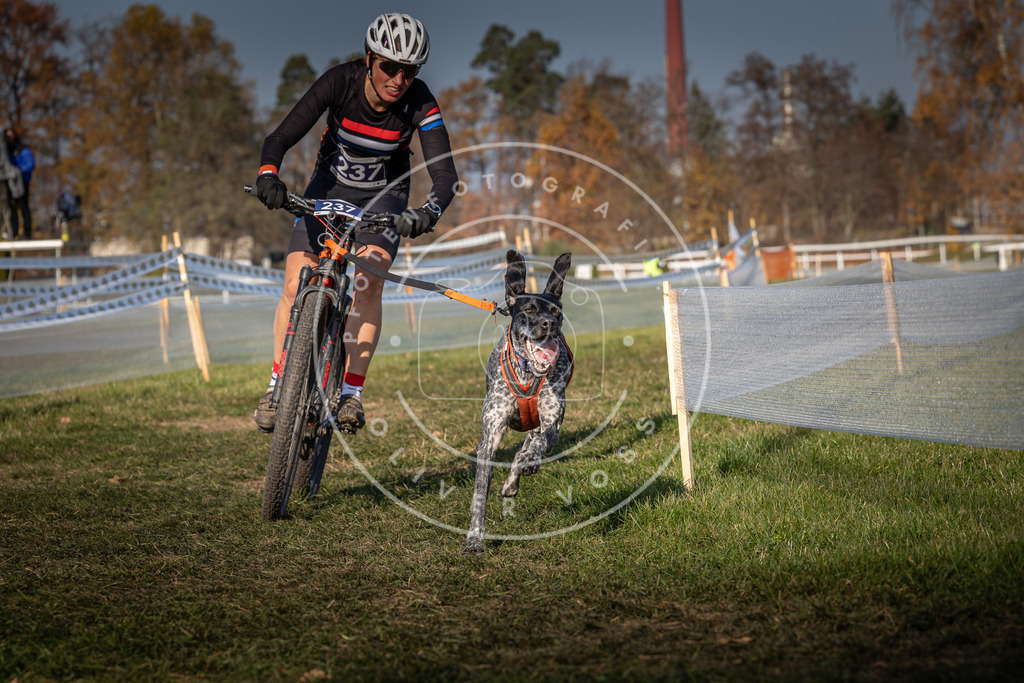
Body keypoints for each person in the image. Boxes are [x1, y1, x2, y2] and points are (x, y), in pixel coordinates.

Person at [253, 12, 458, 434]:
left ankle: (350, 393)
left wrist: (428, 212)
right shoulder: (339, 82)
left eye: (409, 71)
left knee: (370, 280)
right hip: (327, 191)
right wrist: (268, 175)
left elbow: (445, 174)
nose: (398, 79)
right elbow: (279, 138)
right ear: (369, 58)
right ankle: (276, 386)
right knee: (293, 283)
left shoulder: (421, 101)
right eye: (389, 66)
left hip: (384, 198)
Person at [5, 128, 34, 240]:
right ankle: (14, 233)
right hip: (10, 182)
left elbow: (30, 164)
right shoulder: (6, 151)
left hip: (22, 182)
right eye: (7, 136)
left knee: (23, 206)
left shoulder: (22, 149)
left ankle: (27, 234)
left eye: (10, 135)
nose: (9, 138)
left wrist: (19, 171)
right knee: (12, 207)